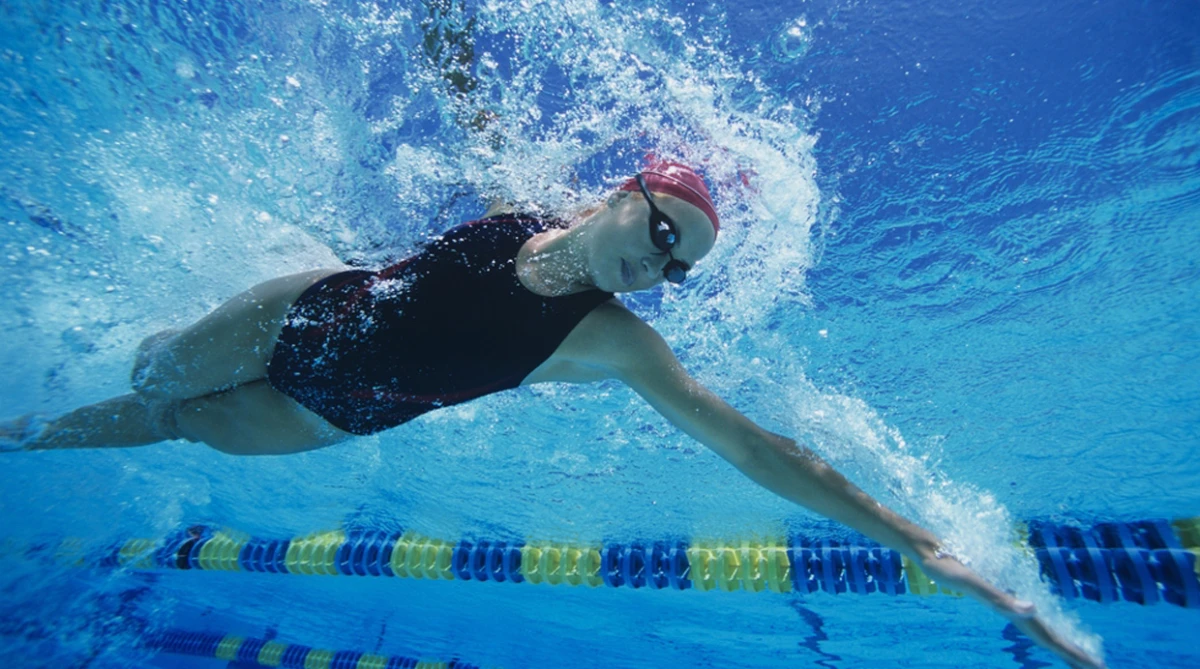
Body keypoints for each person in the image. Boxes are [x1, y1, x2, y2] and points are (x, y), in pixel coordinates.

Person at [1, 161, 1102, 668]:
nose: (659, 264)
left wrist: (927, 548)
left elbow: (750, 445)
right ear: (630, 191)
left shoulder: (610, 340)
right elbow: (466, 76)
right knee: (156, 376)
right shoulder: (515, 197)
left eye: (679, 267)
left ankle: (21, 436)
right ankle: (84, 353)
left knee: (184, 426)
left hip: (331, 412)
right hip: (298, 314)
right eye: (667, 230)